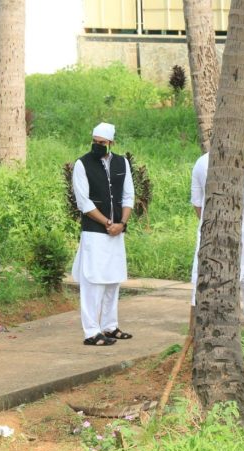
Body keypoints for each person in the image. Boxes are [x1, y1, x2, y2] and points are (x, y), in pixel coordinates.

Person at [72, 122, 134, 346]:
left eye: (103, 143)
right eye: (95, 142)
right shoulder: (82, 164)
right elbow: (84, 202)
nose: (98, 146)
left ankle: (110, 326)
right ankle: (91, 331)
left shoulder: (121, 163)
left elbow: (128, 196)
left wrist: (122, 223)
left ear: (111, 143)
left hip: (117, 232)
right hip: (95, 232)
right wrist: (108, 222)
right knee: (93, 282)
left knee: (112, 280)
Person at [190, 153, 244, 325]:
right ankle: (242, 315)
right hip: (238, 225)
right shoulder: (239, 160)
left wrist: (207, 220)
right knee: (237, 271)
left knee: (205, 268)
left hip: (208, 225)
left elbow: (197, 202)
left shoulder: (200, 162)